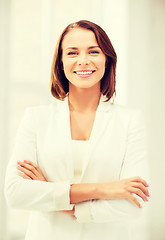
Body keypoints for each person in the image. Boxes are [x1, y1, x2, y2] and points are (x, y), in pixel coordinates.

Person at [4, 20, 150, 240]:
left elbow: (135, 202)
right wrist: (104, 189)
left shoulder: (130, 120)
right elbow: (15, 193)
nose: (83, 61)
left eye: (93, 51)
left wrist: (54, 195)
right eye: (72, 53)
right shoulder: (36, 118)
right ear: (61, 63)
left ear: (107, 60)